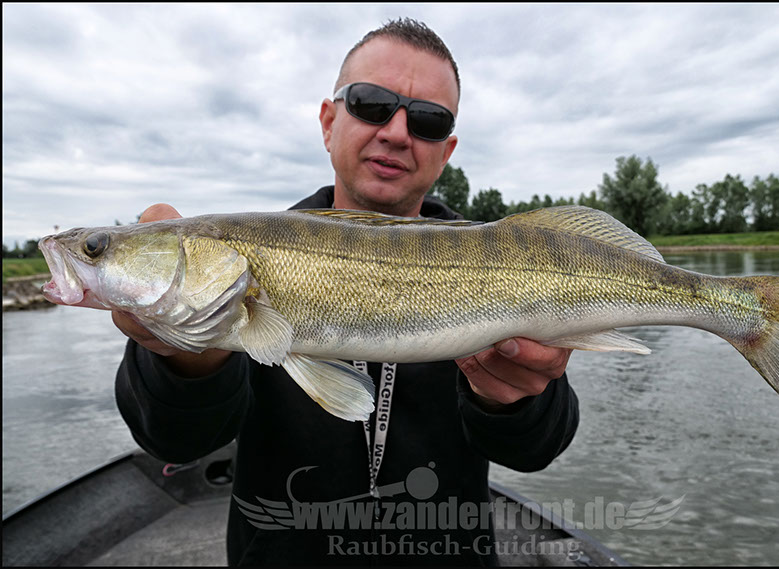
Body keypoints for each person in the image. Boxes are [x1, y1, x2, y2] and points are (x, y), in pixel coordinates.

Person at [114, 18, 579, 565]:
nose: (398, 132)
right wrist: (186, 357)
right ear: (329, 121)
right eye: (370, 103)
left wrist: (516, 398)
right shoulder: (241, 258)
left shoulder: (500, 260)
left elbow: (536, 450)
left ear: (446, 151)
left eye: (429, 120)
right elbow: (174, 441)